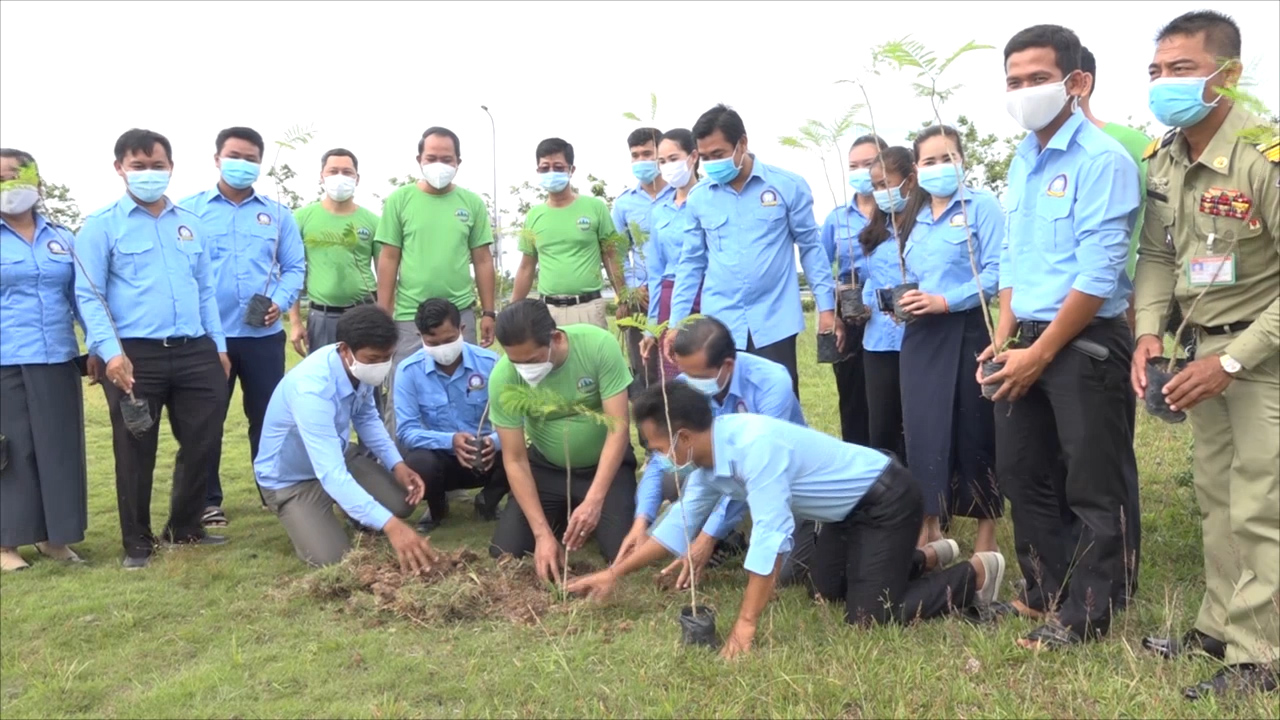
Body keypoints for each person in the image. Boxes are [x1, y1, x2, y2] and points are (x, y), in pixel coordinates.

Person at [567, 383, 1007, 659]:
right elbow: (677, 529)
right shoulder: (705, 460)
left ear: (682, 437)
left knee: (869, 618)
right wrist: (612, 574)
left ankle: (977, 571)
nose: (658, 459)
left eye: (658, 448)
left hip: (885, 499)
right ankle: (924, 558)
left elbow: (770, 538)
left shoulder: (754, 448)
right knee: (826, 590)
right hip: (841, 514)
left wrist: (744, 626)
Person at [1132, 10, 1279, 700]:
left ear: (1228, 74)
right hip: (1200, 358)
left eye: (1181, 69)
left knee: (1261, 504)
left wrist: (1232, 361)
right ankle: (1218, 626)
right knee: (1217, 500)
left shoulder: (1264, 153)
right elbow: (1159, 254)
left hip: (1261, 355)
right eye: (1158, 71)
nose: (1164, 83)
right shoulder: (1166, 158)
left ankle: (1262, 654)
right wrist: (1148, 331)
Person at [978, 25, 1140, 650]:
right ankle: (1044, 589)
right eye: (1014, 81)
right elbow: (1016, 262)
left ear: (1076, 83)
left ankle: (1092, 609)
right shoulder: (1023, 158)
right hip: (1026, 339)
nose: (1024, 91)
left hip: (1084, 340)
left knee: (1092, 481)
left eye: (1037, 78)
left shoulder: (1103, 160)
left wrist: (1040, 354)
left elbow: (1098, 275)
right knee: (1023, 474)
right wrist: (1003, 340)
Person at [75, 128, 231, 569]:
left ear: (171, 168)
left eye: (157, 166)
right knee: (136, 446)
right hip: (134, 355)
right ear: (119, 169)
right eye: (138, 166)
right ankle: (137, 542)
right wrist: (110, 352)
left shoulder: (189, 224)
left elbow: (205, 291)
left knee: (204, 439)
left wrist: (217, 345)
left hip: (195, 350)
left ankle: (184, 528)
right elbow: (91, 296)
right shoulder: (100, 226)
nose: (149, 174)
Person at [619, 316, 817, 589]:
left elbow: (761, 468)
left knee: (785, 576)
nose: (691, 383)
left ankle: (793, 525)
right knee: (670, 476)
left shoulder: (772, 385)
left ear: (727, 366)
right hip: (721, 478)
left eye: (699, 376)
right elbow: (659, 455)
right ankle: (728, 533)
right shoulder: (688, 382)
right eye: (686, 374)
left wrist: (707, 537)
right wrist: (642, 519)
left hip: (783, 482)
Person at [667, 104, 841, 397]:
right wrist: (676, 324)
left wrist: (826, 308)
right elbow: (691, 263)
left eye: (719, 154)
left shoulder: (787, 186)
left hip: (774, 318)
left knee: (778, 402)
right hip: (719, 323)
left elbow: (811, 248)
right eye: (705, 157)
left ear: (742, 144)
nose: (712, 163)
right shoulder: (699, 198)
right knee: (724, 406)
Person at [180, 126, 306, 528]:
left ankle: (272, 490)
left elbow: (295, 268)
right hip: (207, 338)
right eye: (235, 155)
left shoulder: (278, 214)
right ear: (217, 158)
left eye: (251, 158)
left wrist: (280, 303)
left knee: (269, 418)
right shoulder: (189, 212)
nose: (242, 164)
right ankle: (206, 500)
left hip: (262, 337)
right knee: (205, 420)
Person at [254, 305, 438, 571]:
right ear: (344, 349)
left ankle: (352, 506)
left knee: (401, 503)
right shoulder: (312, 391)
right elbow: (331, 474)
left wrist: (397, 465)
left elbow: (366, 418)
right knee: (332, 558)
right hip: (290, 480)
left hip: (336, 456)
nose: (381, 366)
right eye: (374, 358)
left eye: (387, 357)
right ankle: (319, 511)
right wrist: (391, 527)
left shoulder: (357, 367)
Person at [896, 125, 1003, 553]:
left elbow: (997, 273)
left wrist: (946, 301)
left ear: (963, 160)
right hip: (919, 338)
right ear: (916, 169)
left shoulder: (983, 207)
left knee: (974, 430)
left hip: (966, 329)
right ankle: (931, 527)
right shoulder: (913, 215)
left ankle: (986, 539)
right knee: (923, 431)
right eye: (929, 161)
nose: (939, 168)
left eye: (948, 158)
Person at [486, 299, 637, 582]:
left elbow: (618, 429)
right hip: (547, 470)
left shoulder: (598, 346)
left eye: (531, 361)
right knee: (506, 549)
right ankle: (557, 521)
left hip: (604, 469)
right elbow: (515, 459)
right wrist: (541, 534)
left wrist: (594, 500)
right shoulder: (504, 377)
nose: (524, 370)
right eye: (515, 362)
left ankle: (592, 512)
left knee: (619, 550)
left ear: (555, 338)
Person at [0, 150, 88, 571]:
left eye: (15, 175)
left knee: (59, 449)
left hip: (56, 357)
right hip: (6, 361)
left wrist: (102, 349)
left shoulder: (62, 237)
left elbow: (82, 299)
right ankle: (7, 543)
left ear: (36, 179)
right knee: (12, 452)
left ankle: (56, 538)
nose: (8, 184)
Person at [377, 127, 498, 432]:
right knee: (403, 393)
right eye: (432, 157)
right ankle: (400, 462)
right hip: (408, 318)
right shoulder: (399, 201)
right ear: (419, 159)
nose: (439, 164)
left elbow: (483, 259)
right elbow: (389, 258)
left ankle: (464, 458)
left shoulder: (471, 203)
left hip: (461, 314)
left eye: (447, 158)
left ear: (458, 161)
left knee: (466, 391)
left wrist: (489, 312)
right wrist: (383, 314)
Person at [395, 298, 509, 533]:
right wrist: (450, 440)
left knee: (519, 452)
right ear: (420, 337)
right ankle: (437, 508)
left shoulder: (491, 364)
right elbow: (406, 431)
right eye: (433, 342)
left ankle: (487, 501)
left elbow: (513, 418)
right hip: (440, 460)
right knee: (418, 462)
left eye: (448, 340)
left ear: (462, 330)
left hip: (484, 457)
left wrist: (494, 442)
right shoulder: (408, 371)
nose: (442, 349)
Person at [510, 138, 625, 331]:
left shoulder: (595, 208)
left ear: (571, 170)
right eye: (545, 168)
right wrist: (512, 309)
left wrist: (624, 299)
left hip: (588, 308)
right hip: (547, 311)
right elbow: (526, 267)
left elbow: (611, 256)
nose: (551, 173)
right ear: (537, 171)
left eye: (558, 167)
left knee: (590, 361)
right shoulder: (533, 216)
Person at [820, 134, 886, 446]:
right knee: (852, 396)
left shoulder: (898, 212)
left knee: (888, 397)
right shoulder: (836, 218)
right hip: (848, 310)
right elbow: (820, 267)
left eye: (869, 164)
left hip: (889, 308)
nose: (861, 172)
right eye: (854, 166)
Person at [288, 148, 381, 357]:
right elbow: (292, 271)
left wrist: (384, 317)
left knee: (367, 379)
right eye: (333, 171)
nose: (340, 177)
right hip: (322, 317)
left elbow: (385, 274)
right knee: (325, 381)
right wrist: (295, 321)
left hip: (364, 313)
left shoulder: (374, 222)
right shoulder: (301, 218)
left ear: (357, 179)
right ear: (322, 177)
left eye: (347, 172)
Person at [858, 146, 912, 463]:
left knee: (917, 420)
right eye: (876, 186)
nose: (882, 192)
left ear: (909, 181)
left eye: (886, 184)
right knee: (881, 425)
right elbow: (871, 280)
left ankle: (927, 500)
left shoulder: (924, 228)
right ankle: (887, 496)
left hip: (916, 339)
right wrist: (864, 305)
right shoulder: (876, 233)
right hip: (877, 340)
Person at [612, 127, 675, 386]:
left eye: (647, 154)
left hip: (677, 292)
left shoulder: (683, 194)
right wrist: (630, 292)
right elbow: (617, 253)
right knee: (645, 372)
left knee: (680, 367)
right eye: (635, 155)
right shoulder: (624, 203)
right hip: (641, 300)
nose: (640, 161)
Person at [640, 128, 703, 383]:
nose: (667, 167)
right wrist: (651, 327)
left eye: (673, 159)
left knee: (709, 372)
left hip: (708, 293)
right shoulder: (659, 211)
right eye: (662, 162)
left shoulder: (710, 199)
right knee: (675, 379)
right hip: (669, 294)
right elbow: (655, 272)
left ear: (693, 156)